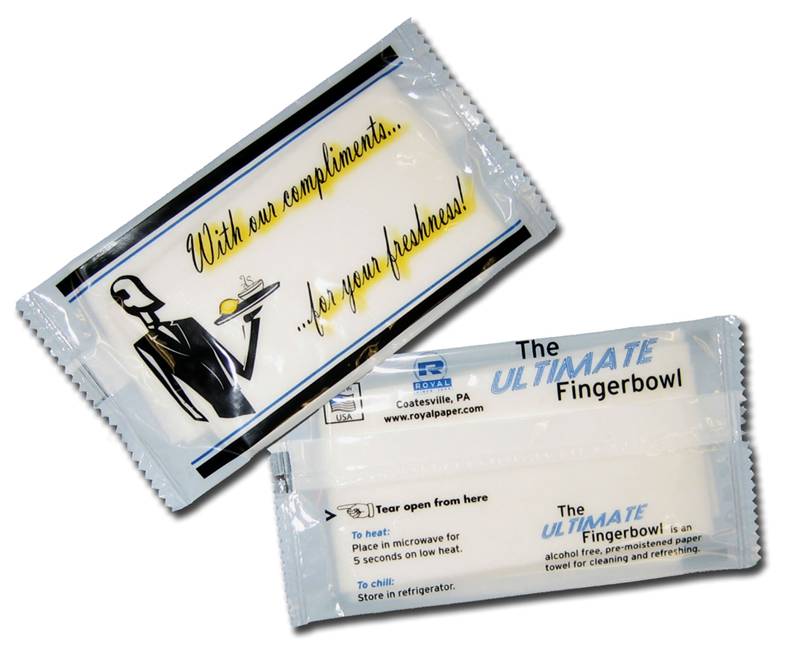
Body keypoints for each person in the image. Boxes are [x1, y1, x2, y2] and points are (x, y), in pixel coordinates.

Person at [110, 275, 261, 421]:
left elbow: (239, 368)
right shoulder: (145, 345)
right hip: (223, 413)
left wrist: (253, 324)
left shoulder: (188, 323)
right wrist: (196, 415)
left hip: (246, 401)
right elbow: (171, 385)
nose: (140, 295)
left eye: (139, 288)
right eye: (126, 296)